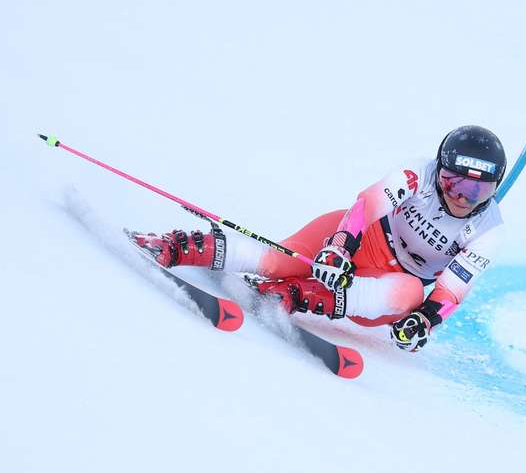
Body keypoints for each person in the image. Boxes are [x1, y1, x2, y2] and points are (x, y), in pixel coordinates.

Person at [131, 126, 506, 352]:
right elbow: (369, 204)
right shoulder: (417, 174)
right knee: (280, 260)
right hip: (366, 237)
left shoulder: (489, 230)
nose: (461, 196)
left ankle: (292, 296)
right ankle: (179, 246)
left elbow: (451, 292)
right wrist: (340, 247)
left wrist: (424, 321)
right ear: (439, 170)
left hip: (390, 280)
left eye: (477, 190)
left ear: (494, 189)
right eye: (453, 181)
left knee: (410, 295)